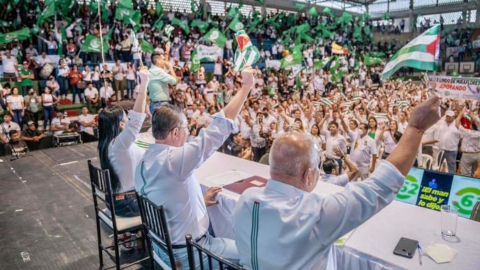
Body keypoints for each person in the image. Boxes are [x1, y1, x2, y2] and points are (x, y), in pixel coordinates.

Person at [232, 96, 440, 270]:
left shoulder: (247, 198)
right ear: (308, 175)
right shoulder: (315, 214)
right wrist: (416, 128)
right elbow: (379, 187)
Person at [134, 67, 256, 267]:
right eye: (186, 129)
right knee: (254, 253)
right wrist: (245, 87)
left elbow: (166, 197)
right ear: (174, 133)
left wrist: (199, 200)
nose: (188, 133)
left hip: (161, 247)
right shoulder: (174, 160)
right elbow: (217, 130)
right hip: (192, 253)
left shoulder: (143, 162)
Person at [97, 67, 149, 247]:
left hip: (118, 200)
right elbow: (137, 121)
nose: (127, 121)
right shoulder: (118, 144)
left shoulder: (108, 144)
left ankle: (132, 235)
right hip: (128, 204)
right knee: (164, 201)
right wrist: (144, 84)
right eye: (125, 119)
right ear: (119, 125)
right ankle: (142, 235)